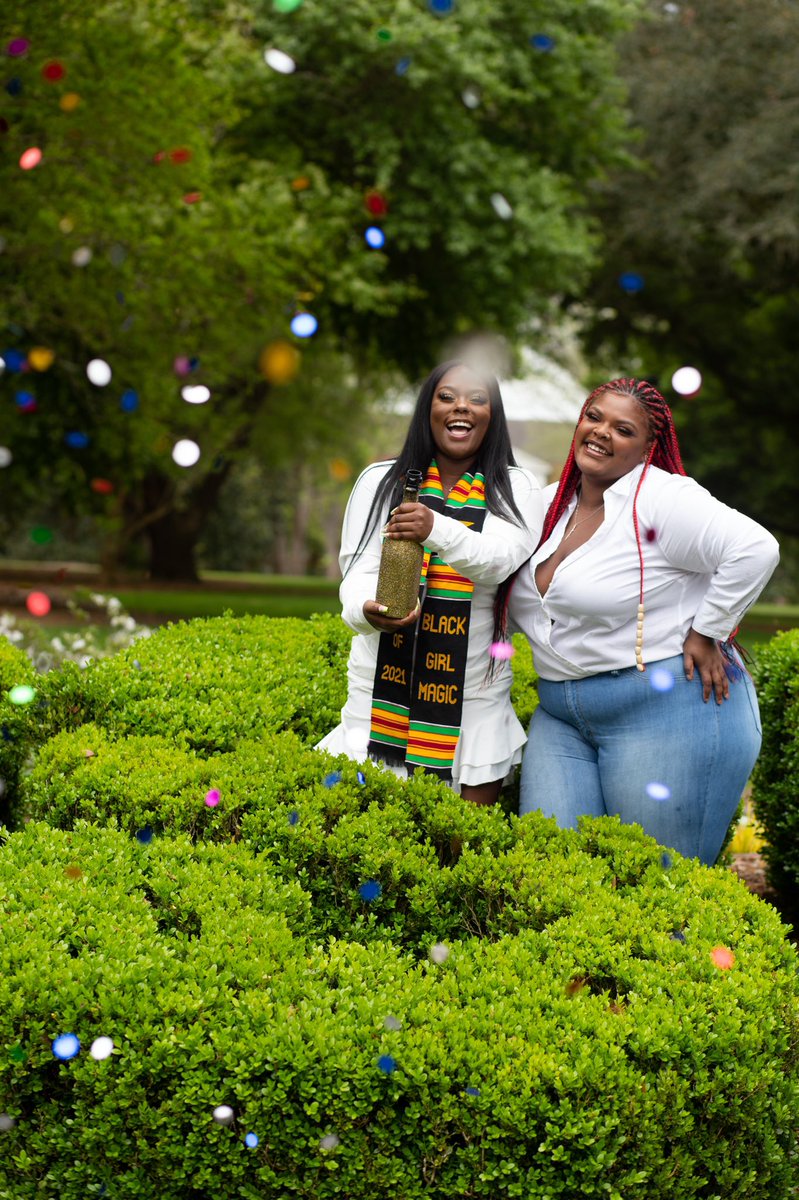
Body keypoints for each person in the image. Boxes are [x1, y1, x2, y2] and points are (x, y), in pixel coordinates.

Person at [502, 376, 779, 864]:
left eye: (623, 429)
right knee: (552, 878)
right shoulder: (546, 505)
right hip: (561, 715)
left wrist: (707, 629)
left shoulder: (663, 501)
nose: (602, 432)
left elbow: (755, 549)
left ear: (649, 446)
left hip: (666, 711)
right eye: (594, 417)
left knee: (656, 888)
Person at [317, 360, 544, 805]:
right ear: (428, 409)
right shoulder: (380, 482)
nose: (462, 407)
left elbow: (496, 562)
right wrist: (367, 610)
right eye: (447, 397)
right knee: (370, 847)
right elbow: (358, 572)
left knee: (457, 858)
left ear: (493, 415)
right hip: (377, 700)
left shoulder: (516, 488)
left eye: (478, 399)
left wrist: (432, 528)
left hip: (472, 705)